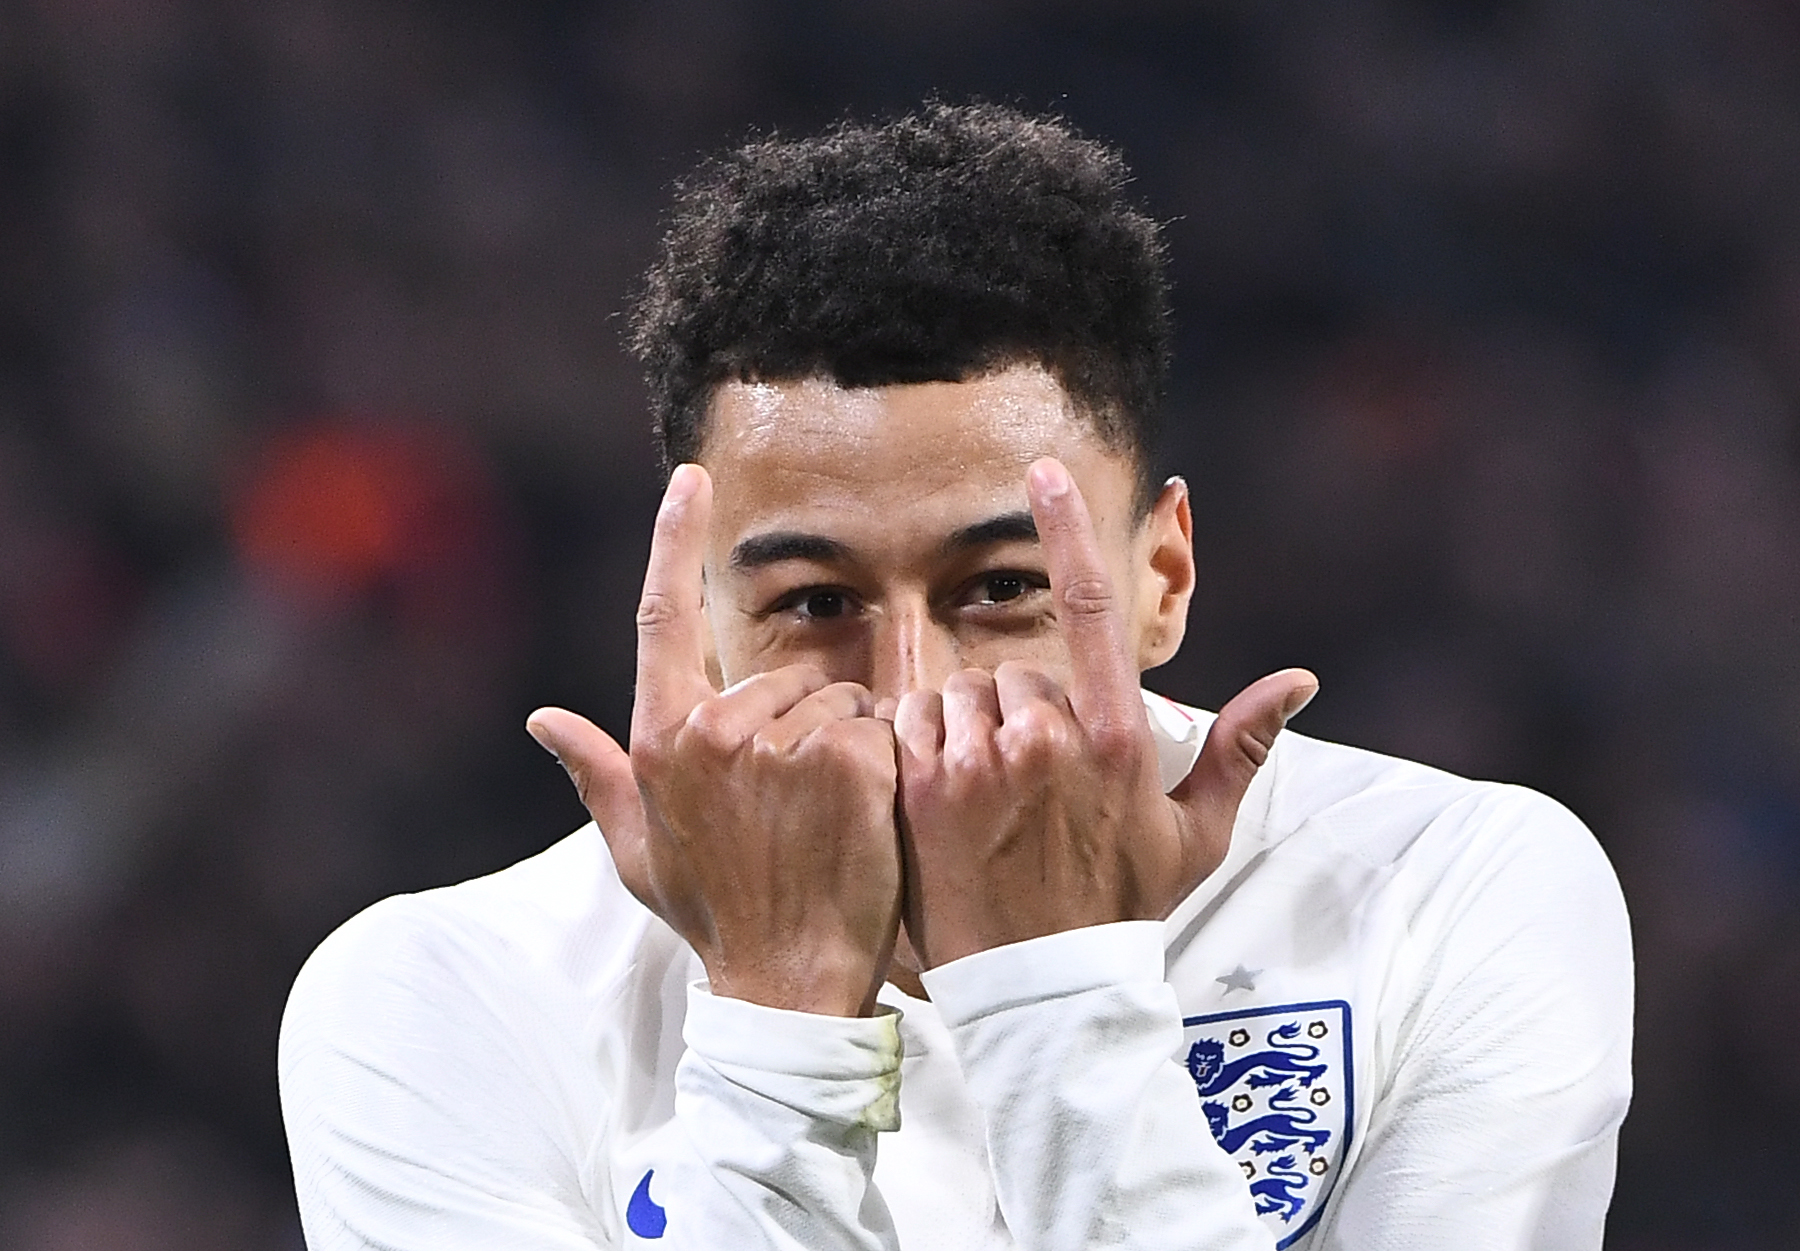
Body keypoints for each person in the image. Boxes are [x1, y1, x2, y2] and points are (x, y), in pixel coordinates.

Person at [278, 103, 1632, 1250]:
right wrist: (778, 1021)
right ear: (695, 612)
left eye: (999, 589)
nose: (913, 684)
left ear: (1159, 578)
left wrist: (1059, 987)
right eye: (816, 602)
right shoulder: (439, 1000)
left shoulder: (1450, 892)